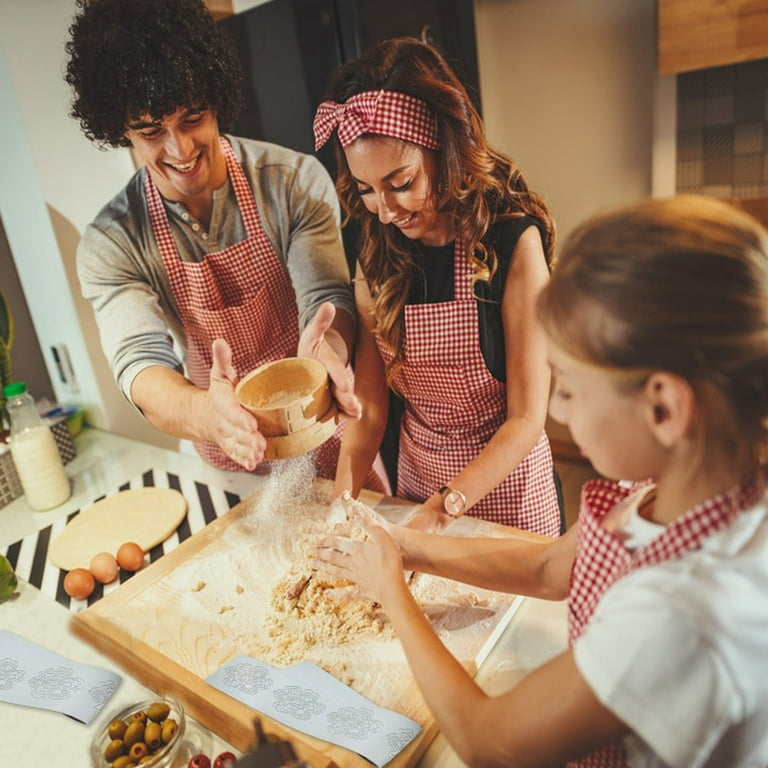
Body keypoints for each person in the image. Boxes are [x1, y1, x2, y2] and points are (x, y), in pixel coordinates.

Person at [316, 196, 768, 767]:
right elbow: (551, 569)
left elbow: (490, 742)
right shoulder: (682, 483)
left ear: (663, 409)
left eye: (572, 387)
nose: (559, 409)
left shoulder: (684, 612)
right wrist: (405, 547)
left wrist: (395, 595)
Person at [63, 0, 389, 491]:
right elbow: (139, 362)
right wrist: (207, 413)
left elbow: (324, 298)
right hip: (227, 460)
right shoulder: (114, 240)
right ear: (120, 129)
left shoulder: (293, 182)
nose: (179, 149)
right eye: (151, 132)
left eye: (192, 118)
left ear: (216, 99)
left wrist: (327, 352)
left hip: (321, 436)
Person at [313, 37, 561, 534]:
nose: (384, 210)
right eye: (366, 189)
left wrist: (443, 510)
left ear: (444, 151)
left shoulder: (512, 239)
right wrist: (340, 503)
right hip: (418, 476)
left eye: (400, 183)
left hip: (508, 489)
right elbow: (370, 409)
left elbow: (526, 418)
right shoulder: (376, 244)